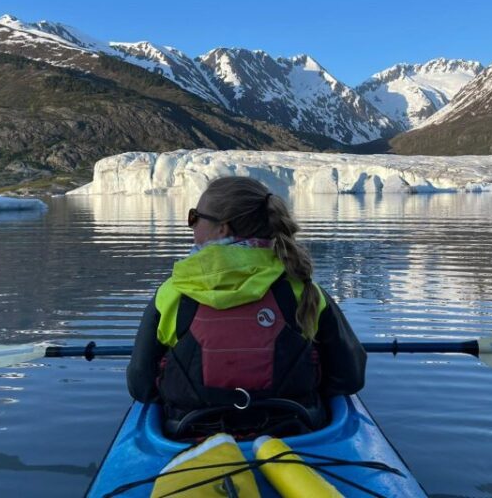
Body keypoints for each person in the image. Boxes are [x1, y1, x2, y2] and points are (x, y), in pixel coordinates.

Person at [127, 176, 366, 437]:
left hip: (190, 435)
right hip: (296, 434)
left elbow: (141, 385)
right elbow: (348, 376)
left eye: (194, 217)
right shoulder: (304, 291)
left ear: (223, 229)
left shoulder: (172, 294)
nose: (191, 226)